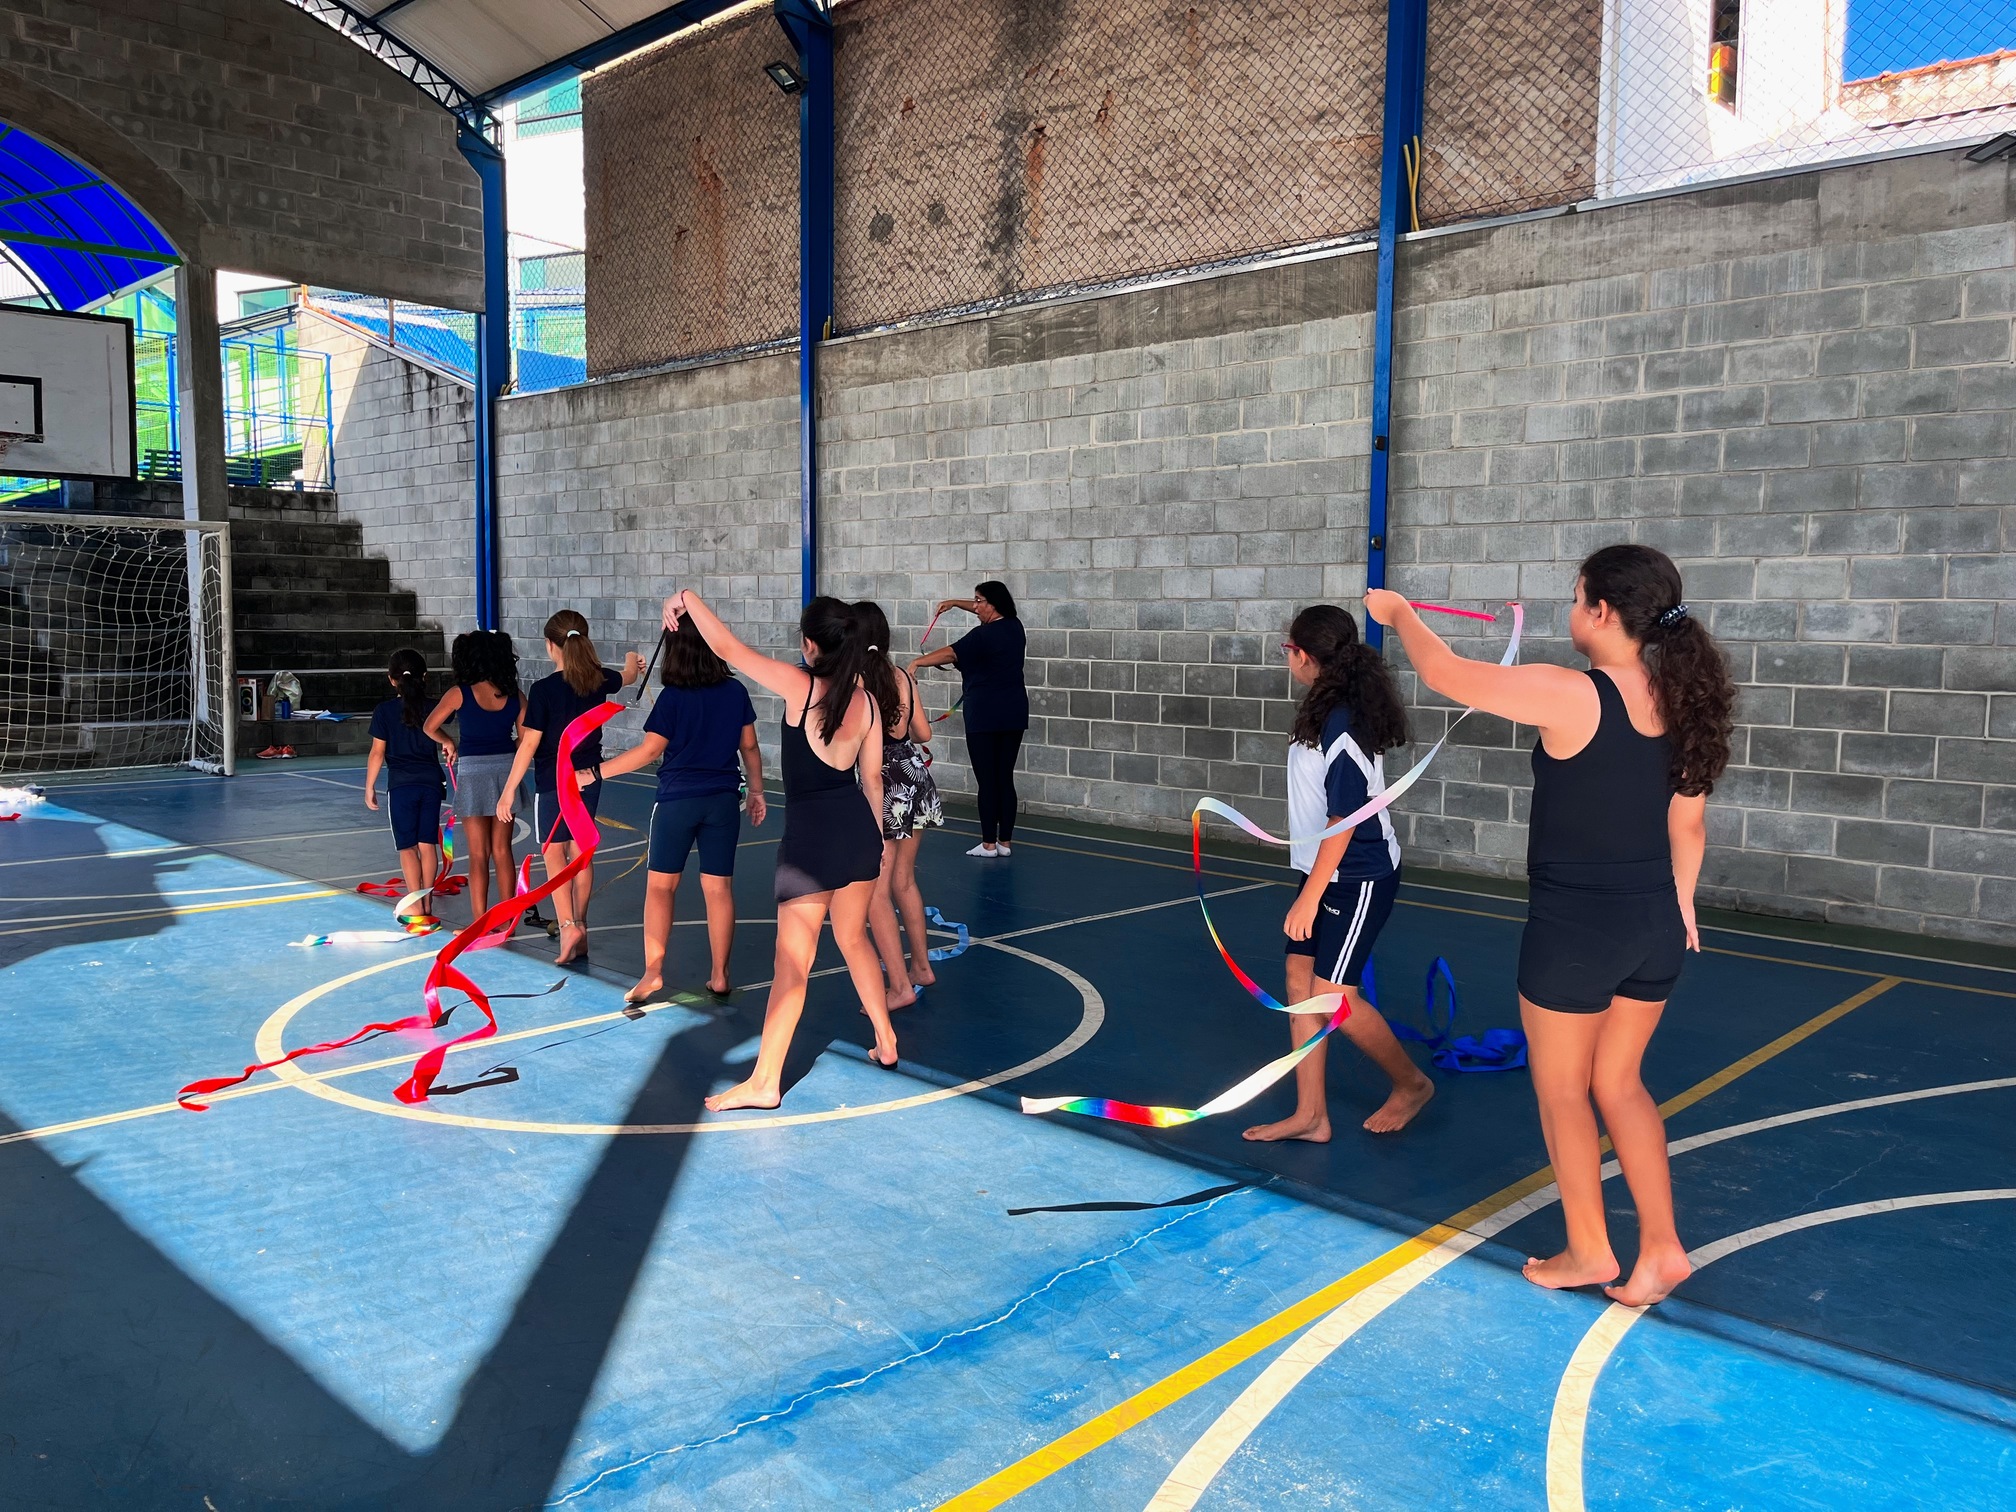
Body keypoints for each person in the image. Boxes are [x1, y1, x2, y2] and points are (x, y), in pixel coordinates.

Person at [1365, 543, 1735, 1307]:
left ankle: (1591, 1249)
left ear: (1601, 611)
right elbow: (1689, 825)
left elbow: (1446, 675)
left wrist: (1398, 615)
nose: (1571, 612)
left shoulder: (1572, 694)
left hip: (1576, 934)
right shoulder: (1683, 700)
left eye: (1575, 599)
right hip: (1654, 927)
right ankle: (1661, 1249)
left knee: (1564, 1092)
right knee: (1621, 1084)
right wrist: (1683, 903)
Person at [665, 591, 902, 1110]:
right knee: (853, 938)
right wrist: (878, 841)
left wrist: (686, 599)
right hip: (857, 831)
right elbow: (872, 780)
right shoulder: (865, 700)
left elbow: (728, 649)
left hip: (813, 839)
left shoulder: (802, 685)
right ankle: (886, 1041)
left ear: (810, 644)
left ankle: (765, 1082)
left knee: (793, 963)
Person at [1242, 605, 1438, 1144]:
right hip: (1321, 868)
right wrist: (1310, 884)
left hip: (1357, 875)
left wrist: (1309, 897)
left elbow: (1343, 820)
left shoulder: (1343, 722)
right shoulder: (1322, 706)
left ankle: (1412, 1084)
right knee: (1299, 983)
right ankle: (1311, 1115)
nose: (1288, 657)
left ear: (1304, 655)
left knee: (1333, 996)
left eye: (1289, 649)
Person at [599, 614, 766, 1005]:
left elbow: (649, 751)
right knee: (719, 888)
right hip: (722, 802)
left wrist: (594, 772)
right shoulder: (735, 691)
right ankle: (720, 975)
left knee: (661, 887)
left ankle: (653, 972)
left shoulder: (673, 697)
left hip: (677, 802)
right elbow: (750, 746)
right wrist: (757, 790)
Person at [495, 611, 644, 965]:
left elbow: (529, 744)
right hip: (590, 779)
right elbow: (628, 675)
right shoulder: (599, 679)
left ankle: (567, 927)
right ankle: (582, 925)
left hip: (554, 782)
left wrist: (509, 789)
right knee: (581, 853)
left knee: (554, 854)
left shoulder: (543, 690)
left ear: (550, 646)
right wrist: (631, 659)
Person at [855, 601, 943, 1009]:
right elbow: (923, 732)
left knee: (877, 890)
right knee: (904, 880)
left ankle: (898, 986)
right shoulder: (903, 676)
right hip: (913, 775)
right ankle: (921, 967)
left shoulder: (854, 681)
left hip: (883, 782)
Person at [909, 580, 1026, 857]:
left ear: (992, 605)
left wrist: (916, 663)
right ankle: (1005, 843)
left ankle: (988, 844)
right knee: (1004, 778)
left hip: (984, 715)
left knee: (987, 780)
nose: (974, 607)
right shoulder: (1015, 627)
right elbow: (979, 610)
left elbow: (951, 652)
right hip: (1014, 712)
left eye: (978, 601)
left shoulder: (981, 636)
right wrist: (953, 603)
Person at [424, 630, 524, 923]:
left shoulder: (460, 693)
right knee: (503, 850)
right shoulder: (514, 694)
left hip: (472, 773)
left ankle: (480, 921)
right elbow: (526, 737)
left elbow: (429, 726)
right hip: (506, 771)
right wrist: (508, 748)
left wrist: (448, 741)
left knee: (478, 854)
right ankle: (509, 920)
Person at [363, 648, 446, 901]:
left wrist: (369, 786)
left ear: (391, 679)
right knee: (427, 843)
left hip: (401, 786)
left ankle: (416, 902)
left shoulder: (383, 711)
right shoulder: (434, 707)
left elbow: (377, 753)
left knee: (407, 847)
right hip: (431, 783)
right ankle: (428, 900)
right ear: (425, 677)